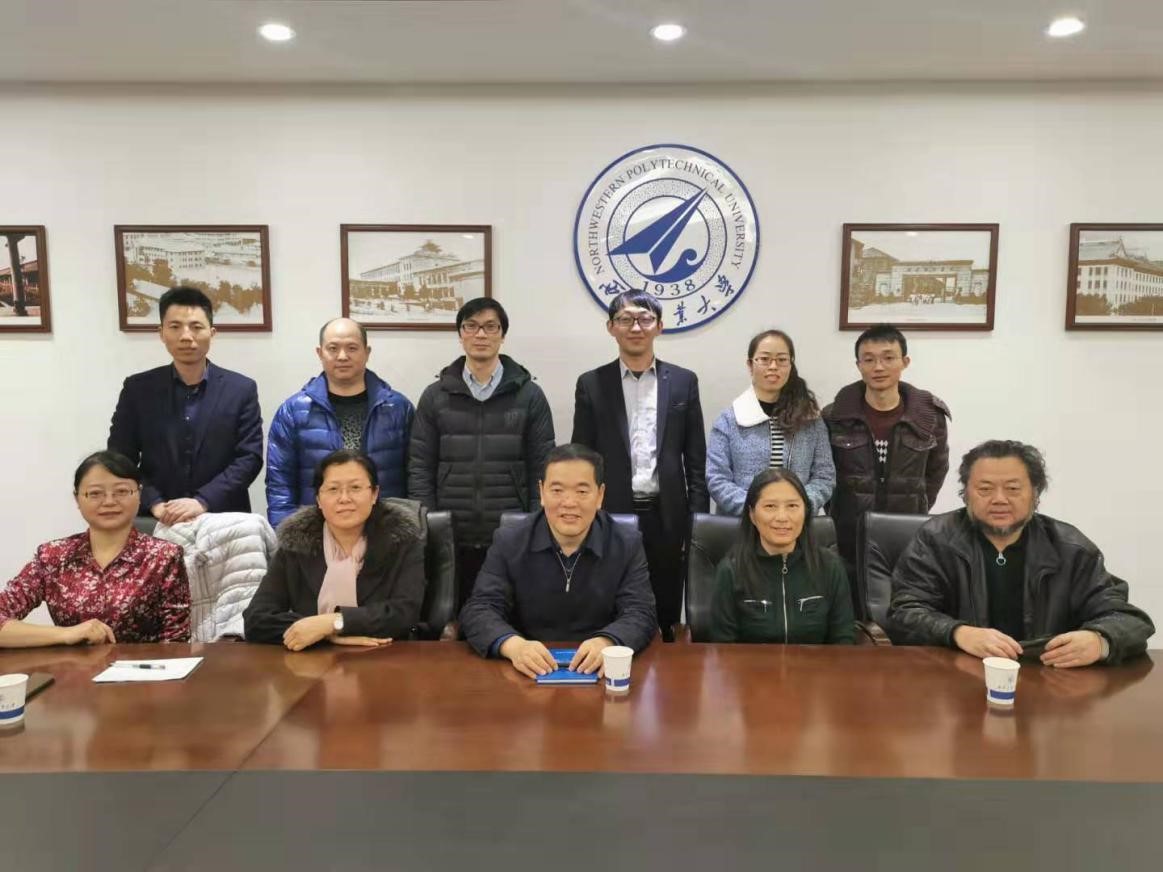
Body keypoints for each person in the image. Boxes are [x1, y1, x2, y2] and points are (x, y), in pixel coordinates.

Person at [888, 440, 1154, 666]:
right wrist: (958, 633)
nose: (999, 499)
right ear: (966, 494)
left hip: (1047, 680)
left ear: (1035, 494)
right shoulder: (935, 540)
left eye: (1013, 489)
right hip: (959, 677)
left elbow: (1128, 619)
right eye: (985, 489)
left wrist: (1100, 640)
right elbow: (904, 613)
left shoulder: (1070, 548)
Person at [571, 290, 708, 641]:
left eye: (645, 319)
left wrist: (696, 522)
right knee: (610, 605)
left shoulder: (683, 381)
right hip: (611, 516)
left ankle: (665, 670)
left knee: (665, 611)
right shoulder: (591, 384)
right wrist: (585, 514)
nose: (636, 327)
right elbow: (582, 458)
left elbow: (695, 460)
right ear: (611, 328)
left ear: (659, 327)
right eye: (625, 319)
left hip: (668, 516)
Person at [459, 444, 657, 678]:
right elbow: (480, 608)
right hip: (526, 671)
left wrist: (607, 641)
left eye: (582, 491)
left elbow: (640, 611)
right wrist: (514, 646)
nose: (569, 502)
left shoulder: (626, 543)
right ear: (542, 492)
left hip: (601, 670)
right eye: (557, 490)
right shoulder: (510, 541)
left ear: (600, 495)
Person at [408, 297, 555, 608]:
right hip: (451, 533)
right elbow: (420, 466)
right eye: (471, 326)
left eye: (490, 327)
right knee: (450, 616)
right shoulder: (435, 396)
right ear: (460, 334)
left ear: (502, 335)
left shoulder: (529, 395)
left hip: (510, 531)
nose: (481, 334)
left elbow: (542, 467)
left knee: (506, 614)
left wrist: (534, 524)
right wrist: (431, 523)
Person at [108, 286, 263, 526]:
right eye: (175, 327)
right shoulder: (137, 389)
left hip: (223, 517)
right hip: (156, 519)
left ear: (212, 333)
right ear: (161, 333)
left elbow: (249, 458)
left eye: (196, 327)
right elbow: (120, 458)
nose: (186, 336)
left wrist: (202, 501)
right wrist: (154, 502)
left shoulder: (241, 389)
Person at [0, 451, 190, 647]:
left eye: (122, 491)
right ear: (77, 499)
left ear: (139, 495)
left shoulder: (164, 557)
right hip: (69, 666)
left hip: (143, 667)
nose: (109, 501)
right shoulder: (52, 556)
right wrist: (65, 634)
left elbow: (176, 645)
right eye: (95, 493)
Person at [244, 450, 426, 650]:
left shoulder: (402, 541)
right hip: (313, 659)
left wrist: (334, 622)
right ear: (318, 499)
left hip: (386, 655)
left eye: (355, 488)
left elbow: (404, 614)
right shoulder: (296, 543)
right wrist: (324, 633)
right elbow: (256, 619)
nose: (344, 498)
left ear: (374, 494)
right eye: (333, 489)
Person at [823, 324, 949, 581]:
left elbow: (937, 470)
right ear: (858, 365)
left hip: (906, 536)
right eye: (869, 359)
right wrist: (837, 511)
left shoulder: (929, 417)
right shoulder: (834, 417)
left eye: (888, 358)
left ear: (905, 362)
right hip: (848, 538)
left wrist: (918, 503)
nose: (878, 367)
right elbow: (825, 473)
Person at [265, 318, 413, 527]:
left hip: (385, 528)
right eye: (333, 348)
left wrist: (410, 527)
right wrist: (287, 534)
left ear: (367, 352)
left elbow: (416, 476)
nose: (342, 356)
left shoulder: (398, 408)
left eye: (352, 348)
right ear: (320, 353)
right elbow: (280, 483)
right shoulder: (293, 412)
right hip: (316, 531)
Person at [708, 469, 854, 644]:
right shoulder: (731, 571)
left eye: (792, 506)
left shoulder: (829, 566)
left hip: (816, 663)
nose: (782, 517)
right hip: (750, 663)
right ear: (752, 514)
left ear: (806, 511)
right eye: (770, 506)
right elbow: (723, 647)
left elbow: (843, 641)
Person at [706, 329, 834, 515]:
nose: (773, 366)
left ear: (790, 364)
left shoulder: (810, 419)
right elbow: (717, 478)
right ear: (750, 365)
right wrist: (756, 510)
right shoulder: (728, 421)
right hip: (742, 523)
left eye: (782, 360)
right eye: (765, 359)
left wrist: (797, 508)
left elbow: (824, 476)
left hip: (797, 523)